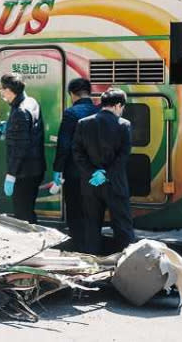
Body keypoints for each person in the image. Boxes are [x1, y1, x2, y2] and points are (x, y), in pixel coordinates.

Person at [72, 88, 134, 254]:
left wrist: (93, 172)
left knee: (92, 226)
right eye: (122, 107)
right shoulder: (124, 125)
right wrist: (106, 173)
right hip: (115, 184)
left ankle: (90, 263)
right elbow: (123, 155)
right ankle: (127, 262)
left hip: (90, 185)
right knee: (122, 226)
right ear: (118, 105)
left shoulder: (83, 123)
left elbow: (78, 153)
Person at [51, 78, 99, 251]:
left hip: (74, 171)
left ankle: (78, 244)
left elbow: (64, 144)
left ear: (72, 94)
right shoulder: (100, 110)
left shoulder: (71, 113)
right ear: (89, 92)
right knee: (93, 208)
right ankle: (93, 244)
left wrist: (57, 169)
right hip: (96, 172)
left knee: (74, 207)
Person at [0, 73, 45, 224]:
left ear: (10, 90)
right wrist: (9, 127)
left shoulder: (20, 110)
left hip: (24, 172)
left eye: (2, 89)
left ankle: (29, 244)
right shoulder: (31, 102)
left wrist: (11, 175)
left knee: (22, 216)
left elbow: (20, 147)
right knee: (28, 210)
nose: (1, 92)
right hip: (35, 168)